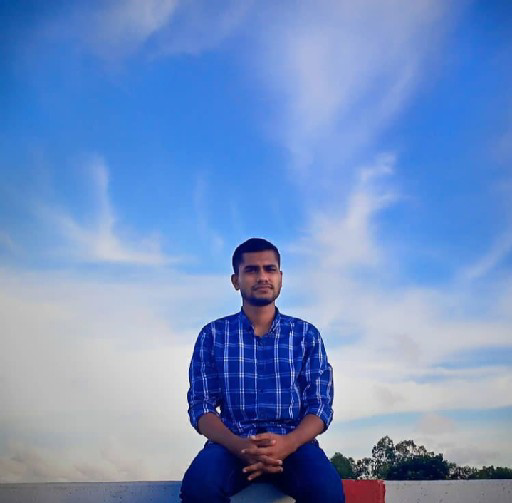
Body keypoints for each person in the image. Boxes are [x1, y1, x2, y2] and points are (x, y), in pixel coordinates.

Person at [180, 238, 344, 503]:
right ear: (236, 280)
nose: (262, 277)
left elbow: (320, 405)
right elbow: (201, 405)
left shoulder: (305, 335)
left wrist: (287, 444)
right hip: (232, 443)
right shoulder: (213, 335)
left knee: (327, 493)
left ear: (280, 277)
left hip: (294, 444)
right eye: (251, 270)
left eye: (270, 269)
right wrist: (239, 446)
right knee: (199, 488)